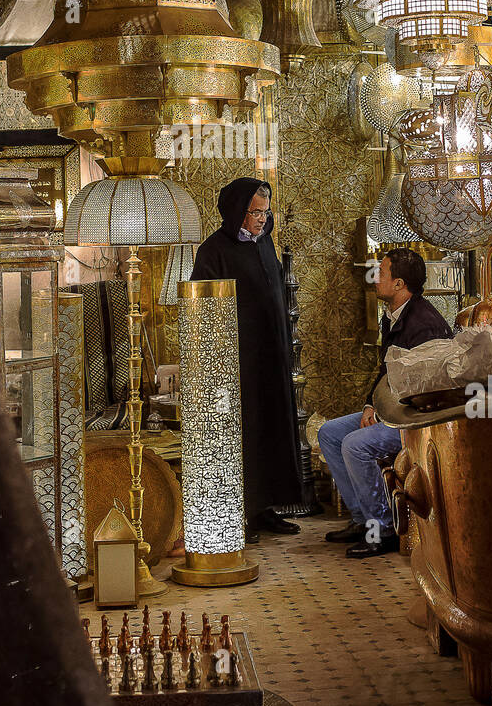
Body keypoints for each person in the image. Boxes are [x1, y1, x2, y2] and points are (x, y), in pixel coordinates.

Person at [319, 248, 452, 558]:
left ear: (399, 284)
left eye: (382, 272)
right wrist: (371, 406)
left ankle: (383, 530)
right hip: (392, 410)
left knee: (355, 444)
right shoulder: (394, 315)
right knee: (329, 433)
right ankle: (361, 521)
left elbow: (430, 386)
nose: (375, 276)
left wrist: (385, 414)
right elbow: (387, 372)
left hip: (415, 418)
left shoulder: (424, 324)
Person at [190, 177, 303, 543]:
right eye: (254, 212)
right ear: (237, 210)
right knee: (247, 433)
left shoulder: (266, 242)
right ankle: (244, 513)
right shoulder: (213, 251)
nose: (260, 218)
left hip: (272, 355)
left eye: (265, 211)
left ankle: (268, 508)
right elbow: (203, 308)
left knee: (273, 427)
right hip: (239, 363)